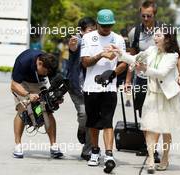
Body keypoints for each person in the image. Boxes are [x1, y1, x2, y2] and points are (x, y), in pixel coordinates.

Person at [111, 27, 180, 174]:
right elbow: (135, 58)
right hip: (152, 94)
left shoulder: (173, 55)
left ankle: (165, 158)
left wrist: (144, 68)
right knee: (149, 127)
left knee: (165, 129)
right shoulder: (151, 50)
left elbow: (161, 73)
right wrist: (121, 54)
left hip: (166, 96)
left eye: (158, 35)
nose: (155, 38)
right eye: (154, 35)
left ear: (167, 38)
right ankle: (150, 158)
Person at [126, 0, 180, 160]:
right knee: (145, 115)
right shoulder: (134, 32)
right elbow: (131, 57)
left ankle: (155, 151)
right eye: (143, 15)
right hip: (142, 79)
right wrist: (128, 81)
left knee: (160, 117)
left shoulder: (165, 30)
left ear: (155, 14)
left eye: (149, 16)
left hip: (160, 79)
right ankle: (149, 148)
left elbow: (178, 53)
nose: (145, 18)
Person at [80, 9, 126, 173]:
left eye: (109, 25)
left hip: (110, 87)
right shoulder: (87, 37)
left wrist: (113, 73)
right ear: (97, 23)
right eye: (104, 25)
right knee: (92, 122)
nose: (107, 28)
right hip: (91, 87)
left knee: (107, 121)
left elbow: (124, 62)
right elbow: (85, 62)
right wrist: (101, 55)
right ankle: (94, 151)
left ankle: (109, 154)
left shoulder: (119, 39)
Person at [11, 49, 63, 159]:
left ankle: (53, 146)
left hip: (38, 83)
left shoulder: (49, 64)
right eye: (45, 72)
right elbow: (14, 85)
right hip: (22, 83)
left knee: (47, 110)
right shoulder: (23, 61)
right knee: (23, 110)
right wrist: (28, 95)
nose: (46, 74)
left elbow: (54, 85)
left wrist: (58, 97)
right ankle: (18, 145)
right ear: (39, 63)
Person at [67, 16, 96, 161]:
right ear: (81, 31)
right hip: (76, 86)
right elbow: (73, 46)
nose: (93, 33)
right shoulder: (78, 40)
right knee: (84, 115)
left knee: (92, 119)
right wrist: (72, 45)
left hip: (93, 87)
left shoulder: (97, 41)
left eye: (94, 30)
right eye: (90, 30)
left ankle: (87, 151)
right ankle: (81, 129)